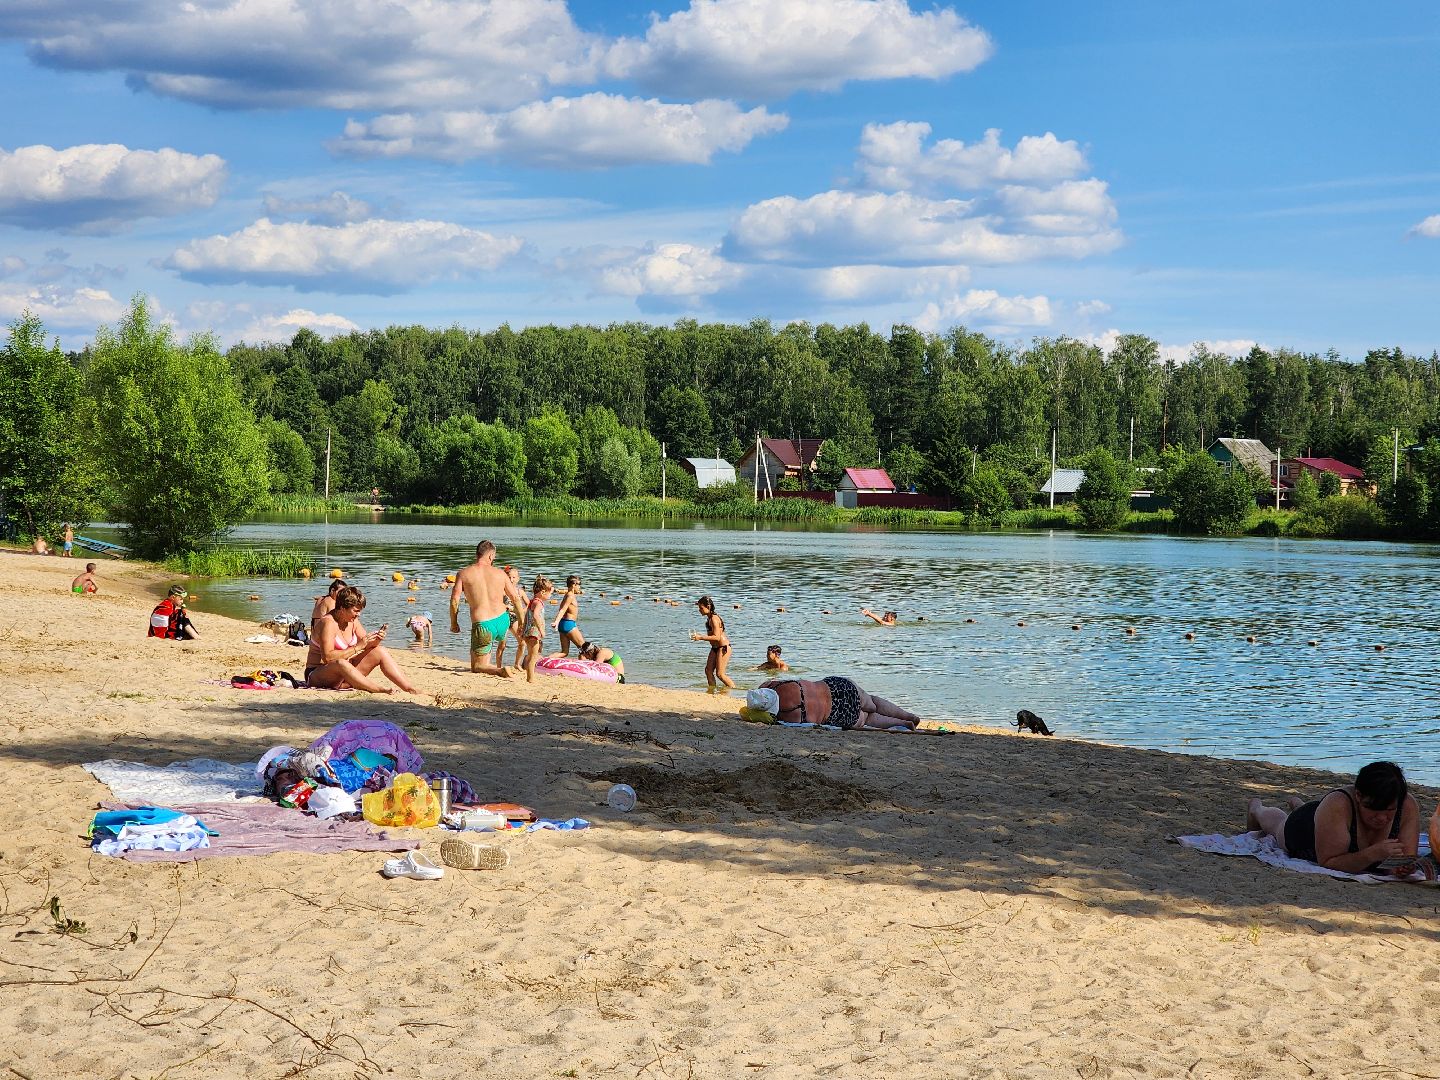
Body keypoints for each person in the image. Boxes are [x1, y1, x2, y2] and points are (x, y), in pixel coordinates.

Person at [1245, 761, 1423, 875]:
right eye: (1373, 809)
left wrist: (1403, 868)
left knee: (1317, 814)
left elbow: (1406, 858)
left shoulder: (1406, 805)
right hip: (1305, 828)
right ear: (1358, 796)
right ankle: (1257, 808)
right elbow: (1329, 862)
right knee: (1278, 827)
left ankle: (1298, 803)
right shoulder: (1339, 803)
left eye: (1389, 810)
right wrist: (1372, 854)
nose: (1382, 818)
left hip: (1326, 818)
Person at [305, 585, 416, 694]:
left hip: (343, 675)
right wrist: (357, 647)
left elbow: (366, 645)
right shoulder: (328, 623)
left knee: (380, 651)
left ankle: (410, 688)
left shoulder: (353, 621)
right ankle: (376, 689)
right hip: (318, 674)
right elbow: (328, 658)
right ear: (343, 608)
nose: (359, 614)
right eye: (356, 611)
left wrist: (376, 639)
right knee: (341, 663)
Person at [450, 540, 529, 676]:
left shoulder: (463, 573)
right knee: (485, 655)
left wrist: (454, 622)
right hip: (503, 621)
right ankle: (493, 664)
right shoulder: (500, 574)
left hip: (484, 625)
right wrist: (522, 621)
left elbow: (454, 601)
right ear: (491, 556)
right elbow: (516, 599)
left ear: (477, 554)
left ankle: (500, 670)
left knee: (476, 666)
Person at [749, 678, 921, 732]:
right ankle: (907, 716)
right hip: (836, 687)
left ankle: (903, 724)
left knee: (869, 718)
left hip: (838, 713)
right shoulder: (780, 684)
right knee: (873, 702)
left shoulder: (787, 715)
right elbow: (765, 684)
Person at [690, 595, 735, 692]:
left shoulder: (714, 618)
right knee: (708, 671)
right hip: (715, 647)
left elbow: (717, 637)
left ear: (708, 607)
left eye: (701, 608)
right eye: (699, 608)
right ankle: (711, 691)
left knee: (720, 674)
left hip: (723, 648)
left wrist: (700, 637)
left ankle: (734, 690)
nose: (699, 610)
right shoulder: (709, 618)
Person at [520, 575, 554, 682]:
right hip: (534, 632)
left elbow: (526, 616)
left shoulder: (532, 601)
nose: (550, 596)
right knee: (533, 656)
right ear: (543, 592)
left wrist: (523, 629)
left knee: (531, 655)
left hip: (528, 631)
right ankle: (530, 678)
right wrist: (541, 630)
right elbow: (535, 615)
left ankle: (529, 677)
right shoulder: (539, 603)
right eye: (550, 593)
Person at [492, 565, 525, 668]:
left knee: (522, 642)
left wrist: (521, 611)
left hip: (515, 618)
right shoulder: (501, 590)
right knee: (502, 644)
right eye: (509, 577)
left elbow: (529, 604)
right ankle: (498, 666)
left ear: (518, 578)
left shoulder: (520, 591)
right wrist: (505, 607)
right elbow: (494, 602)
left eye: (514, 577)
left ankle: (517, 664)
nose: (511, 580)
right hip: (504, 617)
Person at [552, 574, 585, 656]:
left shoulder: (567, 595)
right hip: (568, 624)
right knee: (584, 648)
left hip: (563, 624)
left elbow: (561, 609)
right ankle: (584, 667)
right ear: (574, 585)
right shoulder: (570, 595)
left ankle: (543, 661)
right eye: (579, 585)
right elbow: (563, 609)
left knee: (564, 652)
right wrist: (556, 621)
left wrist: (557, 622)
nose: (580, 587)